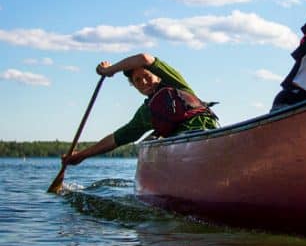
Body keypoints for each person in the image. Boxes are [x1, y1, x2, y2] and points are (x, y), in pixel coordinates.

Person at [62, 53, 219, 166]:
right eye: (137, 80)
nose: (144, 82)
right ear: (134, 86)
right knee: (148, 142)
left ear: (157, 76)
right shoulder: (145, 113)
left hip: (204, 134)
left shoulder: (175, 83)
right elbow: (116, 139)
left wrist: (109, 71)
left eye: (147, 76)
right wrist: (81, 156)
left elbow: (144, 58)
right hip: (181, 150)